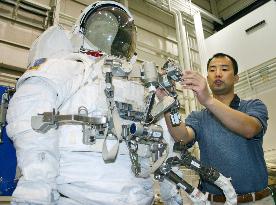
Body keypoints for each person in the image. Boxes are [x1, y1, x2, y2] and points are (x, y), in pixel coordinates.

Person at [6, 1, 182, 204]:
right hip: (76, 196)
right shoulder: (70, 68)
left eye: (118, 32)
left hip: (139, 196)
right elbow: (30, 116)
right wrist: (37, 188)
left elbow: (166, 143)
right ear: (81, 31)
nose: (110, 36)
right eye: (100, 26)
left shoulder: (142, 90)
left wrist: (172, 196)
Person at [157, 53, 275, 204]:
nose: (218, 74)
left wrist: (207, 100)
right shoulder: (199, 117)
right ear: (207, 78)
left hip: (256, 201)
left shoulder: (252, 106)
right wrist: (168, 103)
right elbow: (182, 137)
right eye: (212, 70)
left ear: (236, 78)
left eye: (224, 69)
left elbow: (249, 129)